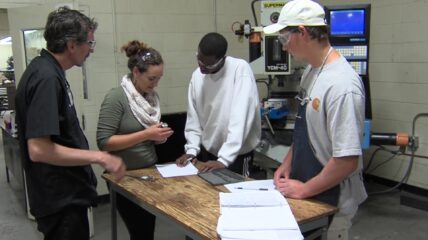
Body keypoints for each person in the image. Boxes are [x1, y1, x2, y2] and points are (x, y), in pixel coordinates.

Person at [14, 6, 126, 240]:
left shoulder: (49, 71)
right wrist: (100, 156)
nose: (91, 50)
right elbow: (38, 149)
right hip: (60, 200)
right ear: (72, 45)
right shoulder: (46, 77)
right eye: (90, 43)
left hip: (66, 195)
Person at [263, 0, 367, 239]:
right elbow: (303, 126)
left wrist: (304, 190)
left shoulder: (342, 85)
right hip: (310, 191)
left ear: (303, 31)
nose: (285, 48)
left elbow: (347, 160)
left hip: (333, 200)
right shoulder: (311, 71)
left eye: (284, 38)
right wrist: (288, 163)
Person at [96, 40, 173, 240]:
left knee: (146, 230)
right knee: (141, 232)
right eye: (151, 78)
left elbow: (142, 136)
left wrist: (157, 137)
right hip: (124, 176)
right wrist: (147, 134)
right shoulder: (117, 98)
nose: (155, 84)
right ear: (136, 72)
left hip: (148, 173)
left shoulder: (149, 98)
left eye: (159, 78)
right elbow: (104, 141)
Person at [176, 32, 261, 177]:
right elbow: (193, 117)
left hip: (236, 155)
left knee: (235, 197)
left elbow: (240, 118)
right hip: (209, 152)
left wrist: (225, 159)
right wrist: (191, 150)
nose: (202, 68)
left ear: (222, 59)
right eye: (199, 60)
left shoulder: (239, 70)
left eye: (208, 65)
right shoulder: (197, 76)